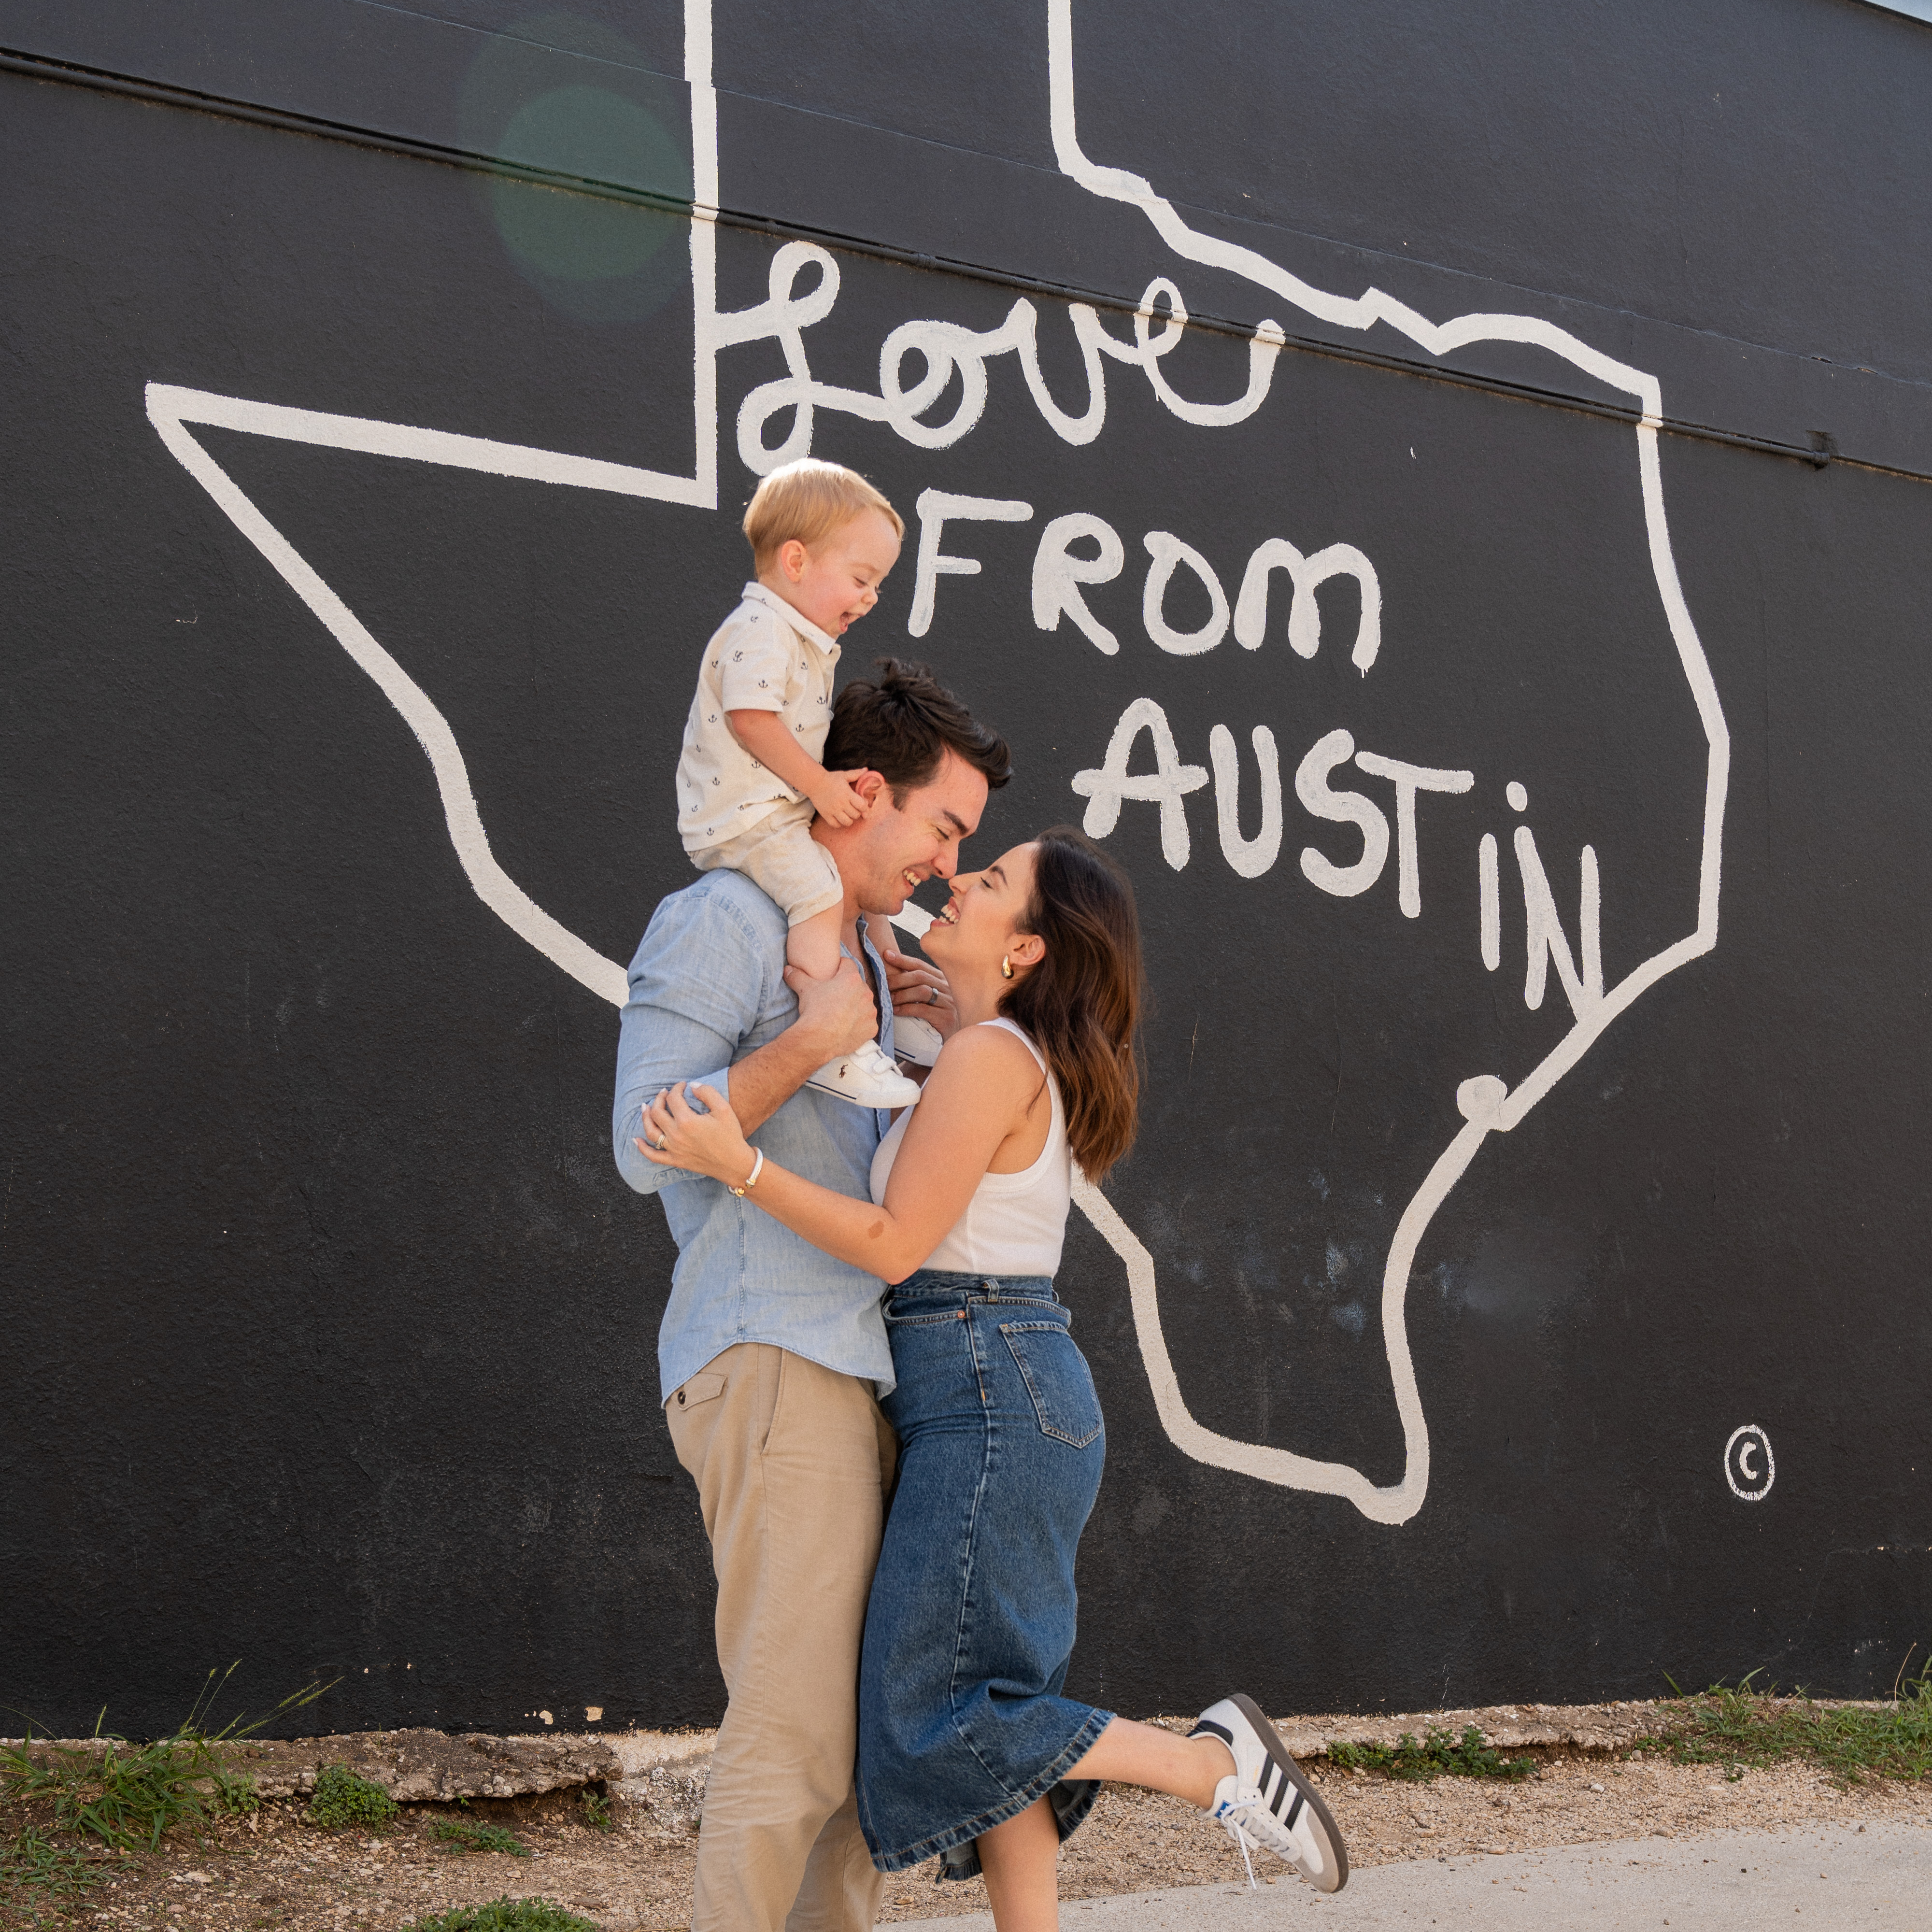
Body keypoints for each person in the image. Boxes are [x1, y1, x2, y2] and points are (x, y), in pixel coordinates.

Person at [639, 827, 1350, 1930]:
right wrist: (926, 1021)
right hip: (1005, 1385)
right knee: (992, 1716)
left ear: (1024, 948)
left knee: (942, 1711)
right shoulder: (987, 1053)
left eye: (988, 879)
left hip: (984, 1389)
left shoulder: (988, 1059)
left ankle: (1208, 1758)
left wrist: (742, 1163)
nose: (955, 880)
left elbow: (889, 1237)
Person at [613, 658, 1012, 1932]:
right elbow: (640, 1138)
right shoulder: (727, 919)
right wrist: (811, 1039)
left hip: (871, 1373)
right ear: (854, 796)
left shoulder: (885, 959)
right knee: (790, 1745)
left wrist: (936, 1025)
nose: (951, 863)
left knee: (857, 1761)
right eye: (944, 827)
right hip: (777, 1356)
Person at [674, 455, 931, 1109]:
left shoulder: (797, 639)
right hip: (748, 818)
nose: (871, 597)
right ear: (795, 562)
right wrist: (819, 786)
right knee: (819, 894)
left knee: (851, 894)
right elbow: (752, 721)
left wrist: (828, 782)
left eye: (878, 583)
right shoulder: (763, 629)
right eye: (861, 578)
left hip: (768, 807)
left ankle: (891, 1023)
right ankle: (834, 1044)